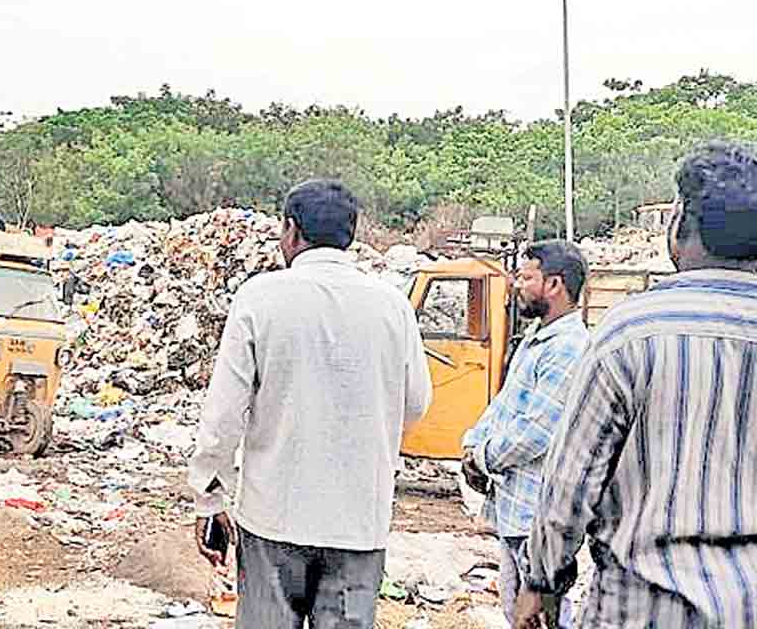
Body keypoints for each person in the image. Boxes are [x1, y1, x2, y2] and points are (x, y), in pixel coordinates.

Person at [516, 141, 757, 629]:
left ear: (681, 221)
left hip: (643, 606)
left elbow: (569, 485)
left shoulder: (628, 334)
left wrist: (542, 581)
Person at [188, 179, 434, 628]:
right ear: (350, 235)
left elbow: (223, 414)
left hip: (273, 517)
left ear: (291, 229)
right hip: (358, 523)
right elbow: (416, 404)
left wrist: (210, 498)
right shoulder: (392, 306)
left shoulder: (260, 297)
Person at [460, 240, 589, 628]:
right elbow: (502, 406)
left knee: (541, 617)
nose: (516, 285)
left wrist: (482, 457)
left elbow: (535, 432)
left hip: (539, 516)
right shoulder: (536, 340)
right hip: (514, 510)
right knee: (514, 610)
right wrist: (473, 443)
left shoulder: (568, 348)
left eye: (526, 277)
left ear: (554, 285)